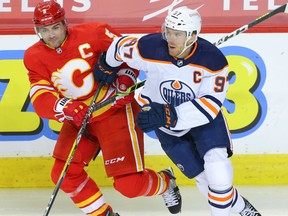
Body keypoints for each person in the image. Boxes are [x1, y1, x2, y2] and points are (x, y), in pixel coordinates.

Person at [94, 5, 262, 216]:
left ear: (192, 36)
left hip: (204, 122)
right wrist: (107, 64)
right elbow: (119, 46)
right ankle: (240, 207)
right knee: (203, 182)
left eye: (178, 34)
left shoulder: (213, 61)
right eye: (169, 32)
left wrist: (170, 115)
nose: (171, 38)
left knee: (218, 171)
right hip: (166, 126)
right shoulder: (150, 47)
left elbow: (210, 105)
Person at [23, 1, 182, 215]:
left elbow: (130, 54)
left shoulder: (95, 33)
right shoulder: (34, 56)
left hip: (114, 112)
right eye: (44, 29)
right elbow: (40, 98)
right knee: (64, 174)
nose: (51, 35)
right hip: (80, 119)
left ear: (64, 24)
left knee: (129, 185)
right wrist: (64, 106)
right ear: (37, 31)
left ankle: (166, 182)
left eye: (55, 27)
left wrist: (125, 79)